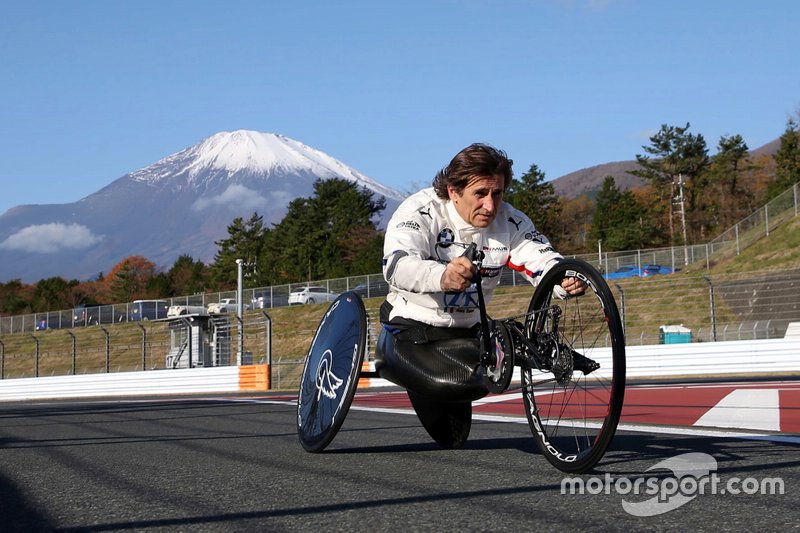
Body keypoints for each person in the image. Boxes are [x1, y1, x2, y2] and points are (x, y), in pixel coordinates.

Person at [380, 142, 583, 331]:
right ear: (453, 192)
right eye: (480, 193)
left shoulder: (510, 220)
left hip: (474, 328)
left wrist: (563, 278)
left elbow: (540, 258)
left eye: (497, 193)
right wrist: (441, 276)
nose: (490, 206)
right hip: (413, 323)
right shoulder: (419, 210)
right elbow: (396, 266)